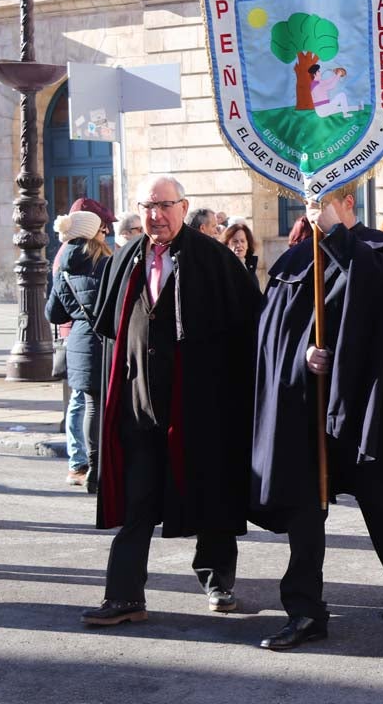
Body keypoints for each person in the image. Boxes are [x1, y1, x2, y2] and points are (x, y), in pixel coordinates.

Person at [250, 186, 383, 650]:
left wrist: (335, 235)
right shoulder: (293, 261)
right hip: (305, 410)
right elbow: (271, 334)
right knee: (305, 510)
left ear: (349, 204)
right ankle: (306, 610)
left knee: (378, 497)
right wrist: (301, 357)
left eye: (323, 205)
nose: (312, 214)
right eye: (308, 206)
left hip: (362, 403)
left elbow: (377, 301)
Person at [80, 175, 262, 627]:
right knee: (138, 503)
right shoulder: (126, 258)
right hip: (140, 408)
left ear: (183, 206)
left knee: (213, 495)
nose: (155, 215)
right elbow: (109, 331)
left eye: (164, 205)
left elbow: (248, 332)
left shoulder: (216, 260)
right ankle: (124, 597)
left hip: (203, 408)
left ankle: (218, 582)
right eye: (147, 206)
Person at [46, 210, 111, 493]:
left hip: (79, 341)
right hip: (107, 340)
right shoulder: (106, 263)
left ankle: (94, 469)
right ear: (92, 233)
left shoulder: (63, 267)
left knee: (91, 407)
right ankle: (111, 467)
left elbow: (54, 314)